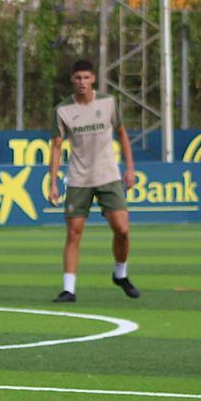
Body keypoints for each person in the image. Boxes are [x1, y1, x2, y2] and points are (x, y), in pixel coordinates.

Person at [47, 59, 139, 302]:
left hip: (109, 175)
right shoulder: (63, 110)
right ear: (72, 80)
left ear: (93, 79)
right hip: (78, 179)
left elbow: (122, 134)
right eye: (78, 78)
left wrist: (130, 168)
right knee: (74, 234)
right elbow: (57, 147)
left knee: (122, 229)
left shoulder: (108, 102)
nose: (82, 82)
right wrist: (53, 182)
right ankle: (69, 289)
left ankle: (120, 273)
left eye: (86, 78)